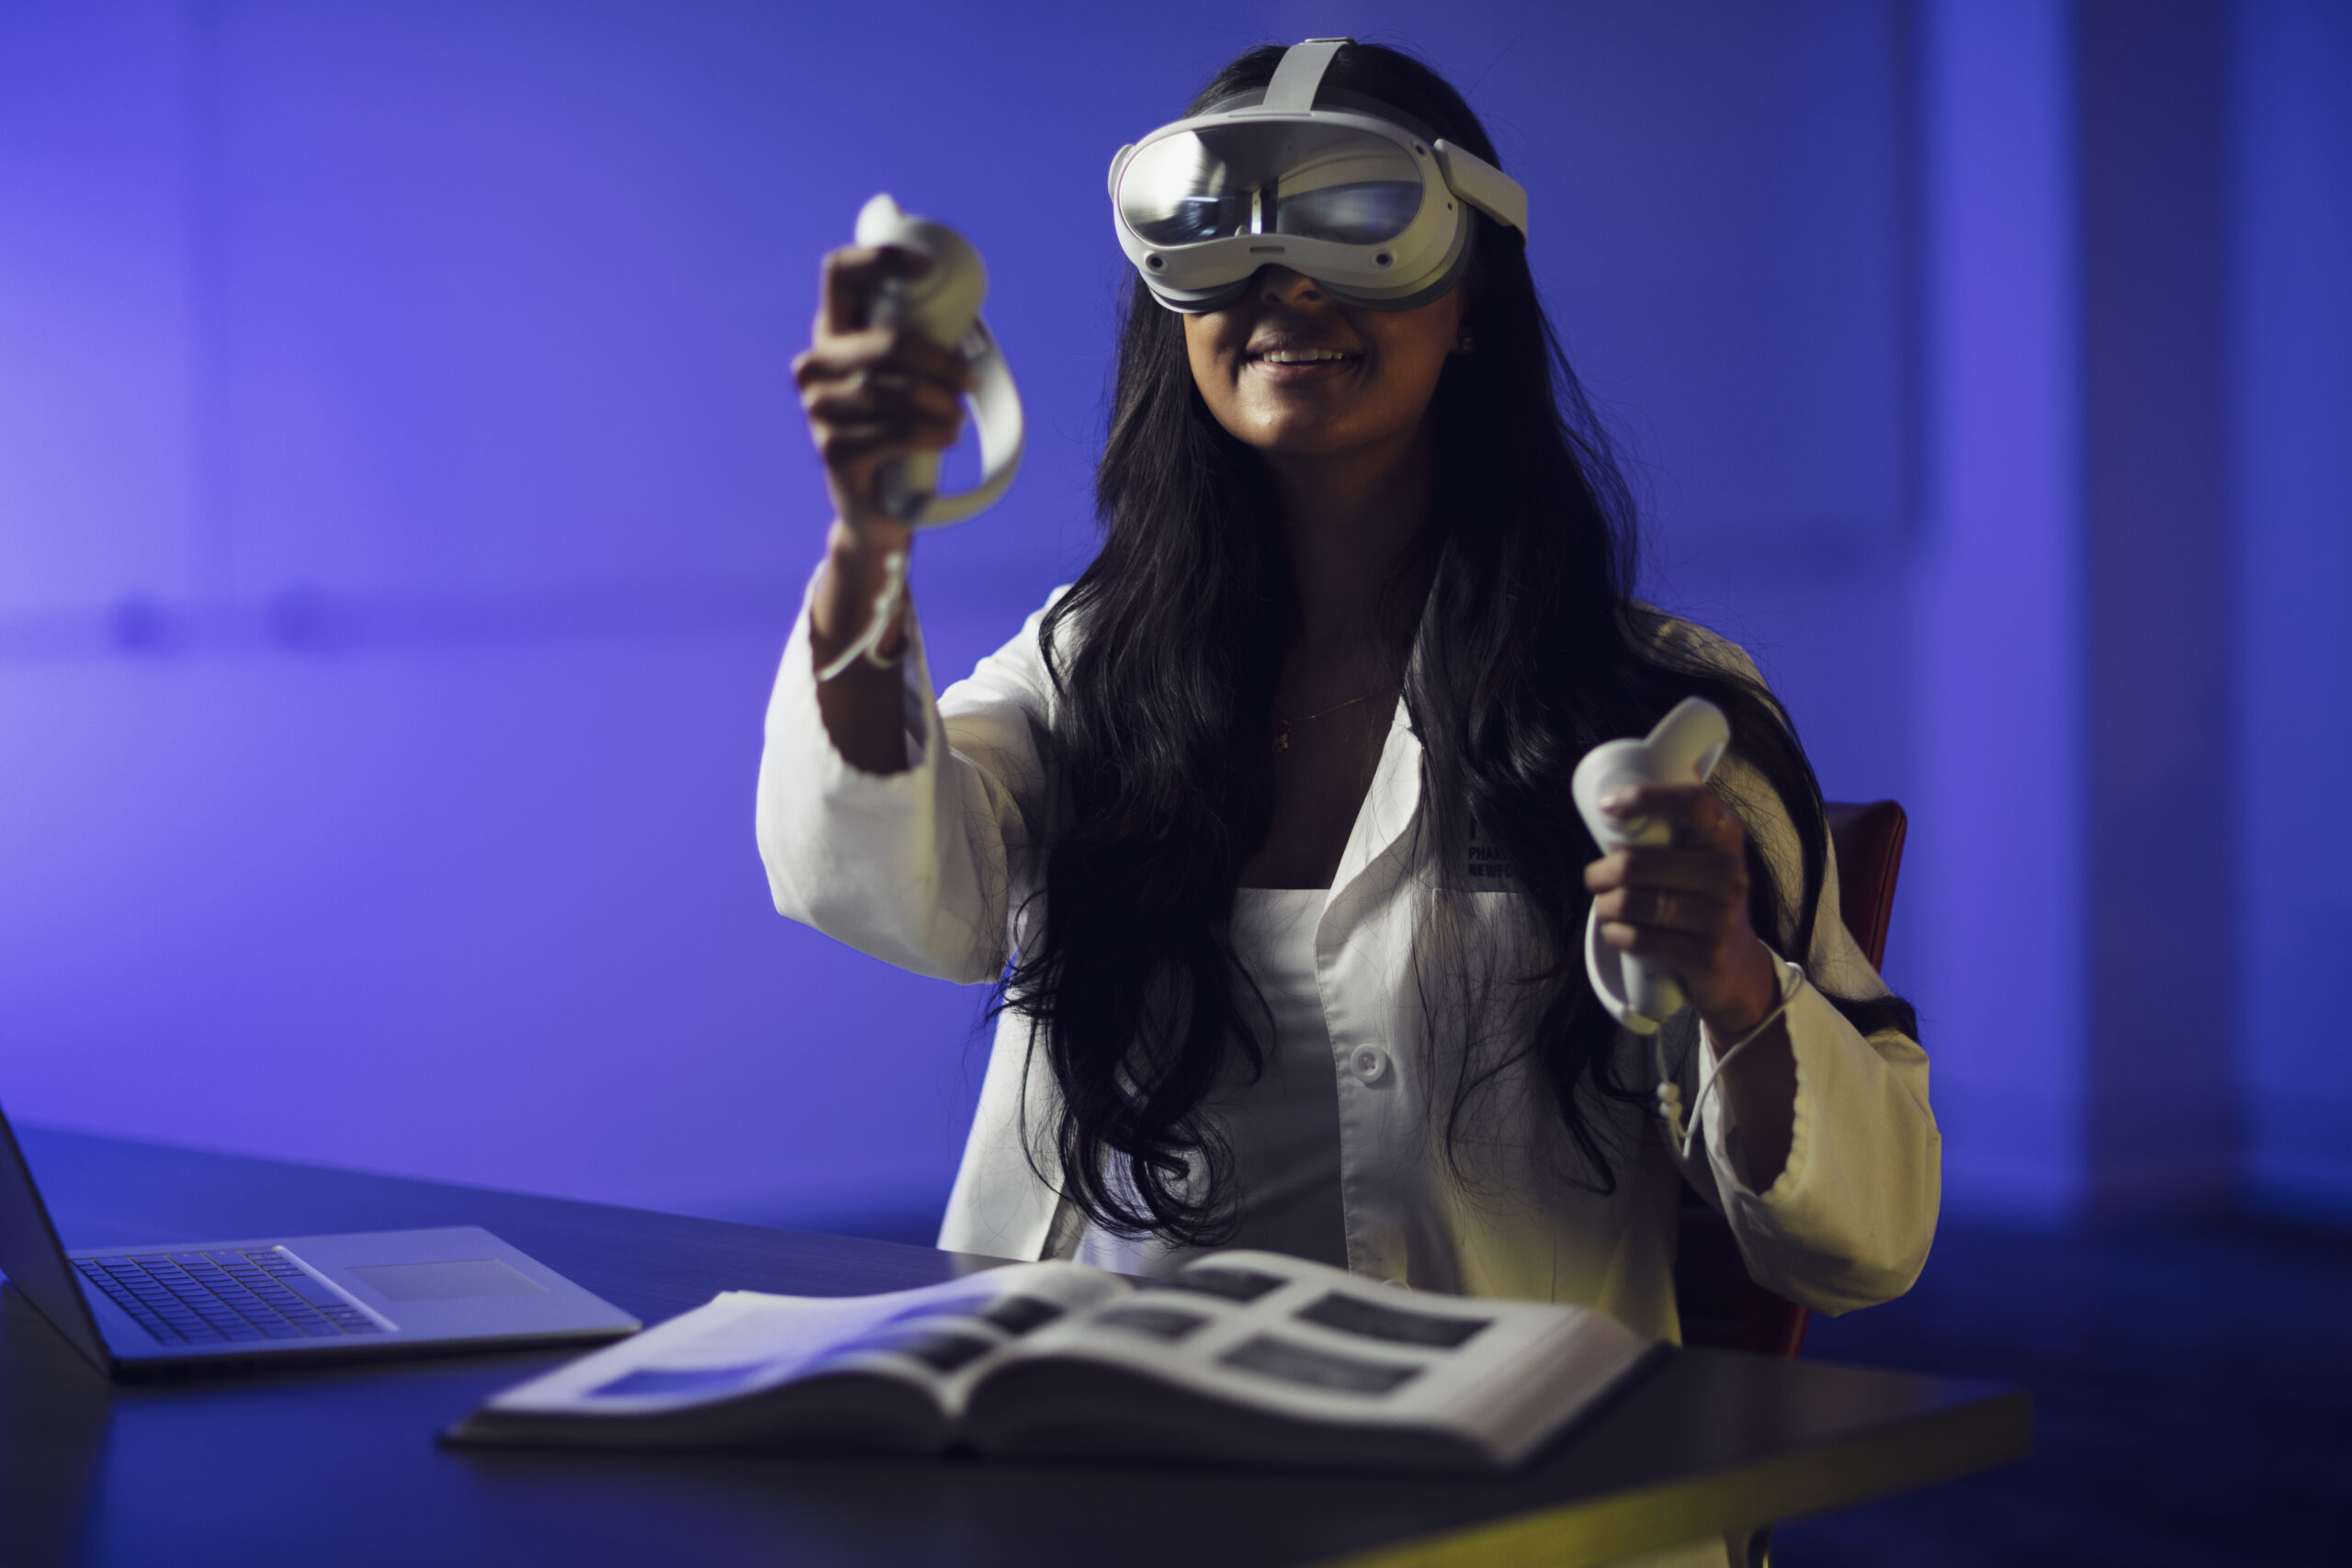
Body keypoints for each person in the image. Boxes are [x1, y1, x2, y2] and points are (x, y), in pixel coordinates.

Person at [761, 39, 1935, 1354]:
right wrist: (871, 535)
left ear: (1470, 295)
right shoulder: (1091, 669)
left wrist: (1729, 984)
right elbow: (878, 880)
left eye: (1358, 215)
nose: (1282, 283)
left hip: (1499, 1504)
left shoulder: (1654, 712)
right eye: (1215, 227)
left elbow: (1869, 1239)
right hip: (1095, 1456)